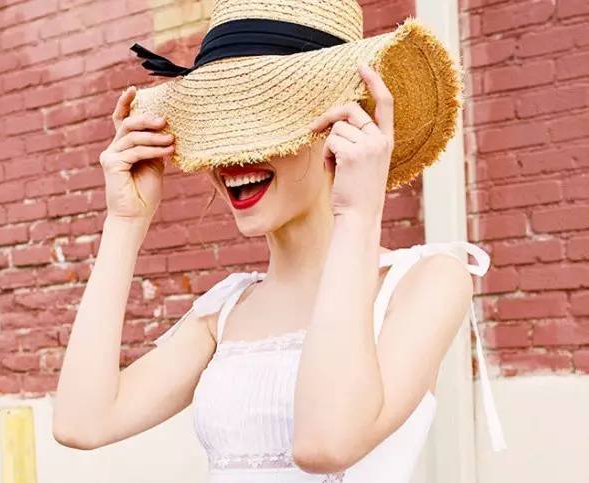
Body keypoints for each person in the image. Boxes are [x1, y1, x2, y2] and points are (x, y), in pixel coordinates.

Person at [53, 2, 506, 482]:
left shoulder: (426, 280)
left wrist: (357, 214)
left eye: (265, 123)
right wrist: (125, 221)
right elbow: (82, 423)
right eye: (219, 131)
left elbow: (325, 445)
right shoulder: (227, 310)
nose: (232, 156)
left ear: (343, 127)